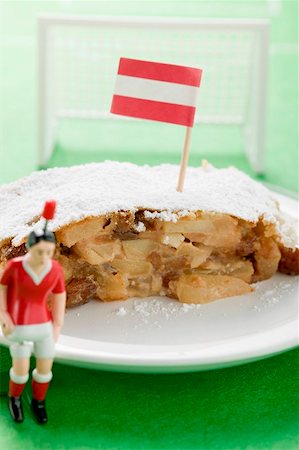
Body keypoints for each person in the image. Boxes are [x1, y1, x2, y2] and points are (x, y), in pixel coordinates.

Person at [0, 200, 66, 424]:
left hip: (44, 327)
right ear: (29, 247)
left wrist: (57, 325)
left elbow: (59, 295)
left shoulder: (54, 269)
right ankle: (15, 398)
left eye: (49, 252)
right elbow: (2, 288)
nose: (44, 256)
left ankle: (39, 402)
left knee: (44, 369)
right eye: (40, 251)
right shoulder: (15, 267)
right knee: (20, 369)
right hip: (18, 326)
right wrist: (4, 315)